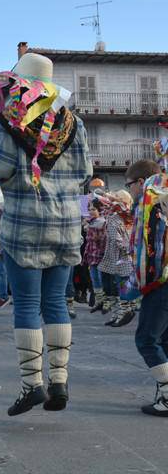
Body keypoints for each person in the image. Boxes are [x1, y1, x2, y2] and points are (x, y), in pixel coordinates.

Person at [0, 52, 92, 415]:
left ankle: (31, 384)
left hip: (25, 224)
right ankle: (59, 381)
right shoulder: (74, 122)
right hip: (67, 226)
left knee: (26, 305)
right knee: (55, 303)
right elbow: (85, 172)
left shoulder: (8, 121)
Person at [126, 159, 168, 416]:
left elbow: (150, 248)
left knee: (146, 339)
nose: (129, 189)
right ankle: (163, 394)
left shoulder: (152, 202)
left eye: (129, 184)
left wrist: (143, 280)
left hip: (160, 279)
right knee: (163, 338)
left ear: (141, 182)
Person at [98, 190, 135, 328]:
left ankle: (123, 313)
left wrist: (128, 249)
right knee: (115, 286)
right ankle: (119, 313)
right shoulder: (123, 217)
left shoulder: (121, 218)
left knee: (120, 286)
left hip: (121, 257)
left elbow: (118, 239)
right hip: (121, 256)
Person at [83, 199, 107, 313]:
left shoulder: (102, 222)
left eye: (93, 209)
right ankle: (99, 301)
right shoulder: (90, 222)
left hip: (100, 255)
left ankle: (105, 302)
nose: (91, 211)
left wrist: (89, 228)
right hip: (91, 256)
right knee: (95, 280)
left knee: (101, 279)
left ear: (100, 210)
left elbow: (101, 241)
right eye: (89, 209)